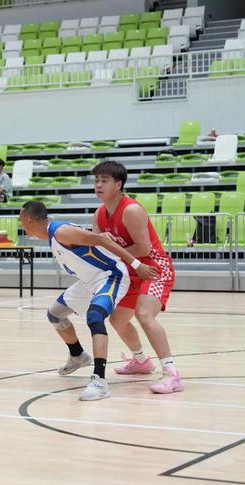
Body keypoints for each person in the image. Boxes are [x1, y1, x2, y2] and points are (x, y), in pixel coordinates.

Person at [20, 200, 157, 400]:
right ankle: (77, 355)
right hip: (88, 282)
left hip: (110, 275)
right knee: (55, 314)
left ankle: (99, 381)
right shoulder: (54, 235)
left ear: (29, 221)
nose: (21, 224)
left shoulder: (61, 232)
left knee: (95, 317)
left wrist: (137, 265)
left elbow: (103, 240)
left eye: (21, 220)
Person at [91, 160, 183, 394]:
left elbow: (143, 248)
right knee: (117, 320)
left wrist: (113, 252)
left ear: (118, 184)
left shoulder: (131, 210)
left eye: (104, 180)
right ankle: (141, 361)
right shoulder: (99, 214)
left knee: (144, 314)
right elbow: (99, 248)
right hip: (129, 270)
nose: (98, 185)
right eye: (96, 180)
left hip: (153, 268)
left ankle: (172, 374)